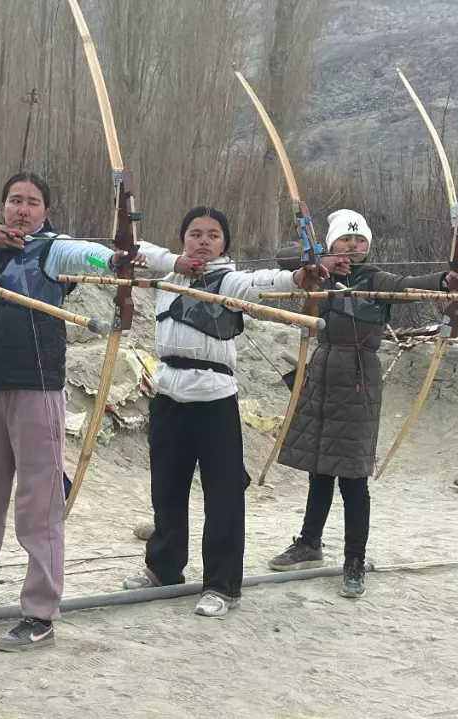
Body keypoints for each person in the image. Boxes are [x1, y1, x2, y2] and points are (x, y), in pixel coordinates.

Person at [0, 172, 144, 651]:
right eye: (14, 201)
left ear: (46, 211)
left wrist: (115, 259)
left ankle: (40, 613)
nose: (22, 210)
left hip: (38, 391)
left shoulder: (54, 249)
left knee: (38, 504)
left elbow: (91, 255)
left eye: (32, 203)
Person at [118, 206, 320, 617]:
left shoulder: (228, 279)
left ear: (225, 242)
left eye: (213, 234)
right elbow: (134, 249)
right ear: (183, 238)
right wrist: (177, 263)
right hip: (169, 394)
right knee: (167, 489)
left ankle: (222, 585)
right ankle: (164, 570)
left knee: (224, 495)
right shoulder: (167, 274)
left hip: (214, 399)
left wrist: (298, 278)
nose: (203, 241)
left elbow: (261, 283)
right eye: (195, 233)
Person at [266, 209, 458, 598]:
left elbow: (410, 284)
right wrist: (318, 260)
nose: (353, 246)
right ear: (332, 243)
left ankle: (354, 562)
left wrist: (447, 279)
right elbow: (281, 258)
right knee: (319, 469)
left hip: (359, 376)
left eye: (360, 241)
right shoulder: (318, 272)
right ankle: (309, 544)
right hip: (321, 373)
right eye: (346, 239)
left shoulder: (376, 278)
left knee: (353, 479)